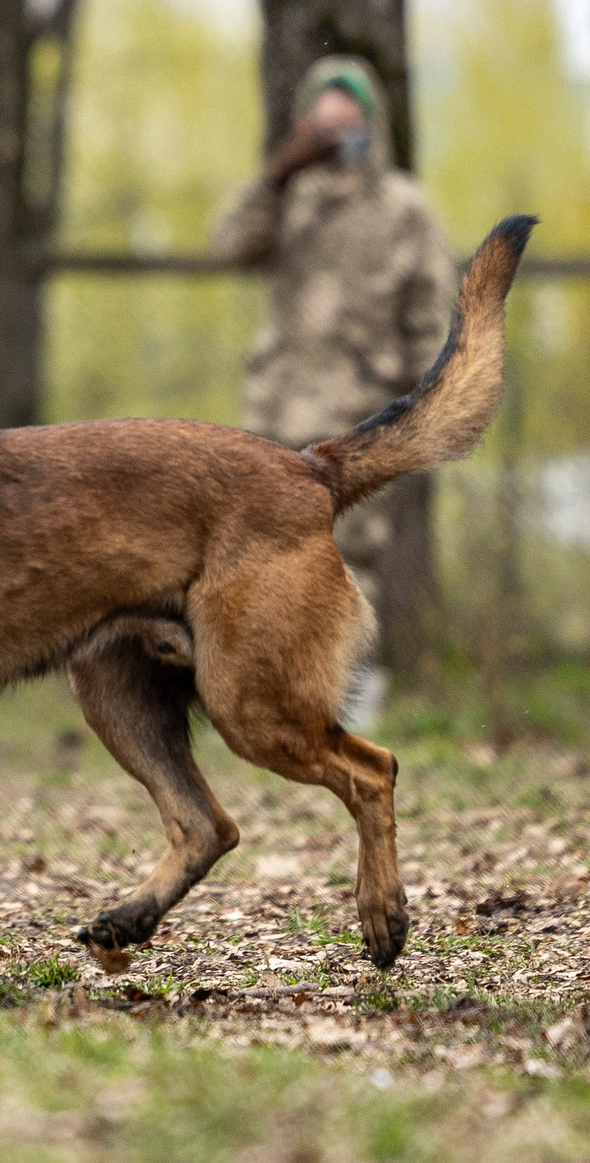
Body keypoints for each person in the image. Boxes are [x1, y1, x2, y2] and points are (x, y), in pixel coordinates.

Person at [213, 56, 455, 707]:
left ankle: (350, 695)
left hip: (360, 410)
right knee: (267, 556)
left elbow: (430, 314)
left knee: (350, 557)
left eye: (347, 124)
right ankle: (282, 696)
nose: (335, 139)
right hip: (277, 407)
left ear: (373, 125)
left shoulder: (403, 208)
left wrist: (420, 411)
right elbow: (230, 245)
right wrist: (276, 173)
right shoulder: (290, 199)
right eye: (321, 127)